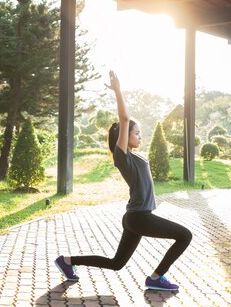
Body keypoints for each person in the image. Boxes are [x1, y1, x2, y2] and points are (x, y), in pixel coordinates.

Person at [55, 70, 193, 292]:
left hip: (135, 217)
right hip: (139, 217)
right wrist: (118, 91)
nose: (139, 136)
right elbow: (124, 119)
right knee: (185, 236)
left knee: (116, 264)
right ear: (125, 135)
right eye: (136, 133)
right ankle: (156, 278)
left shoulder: (135, 156)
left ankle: (67, 261)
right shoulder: (122, 157)